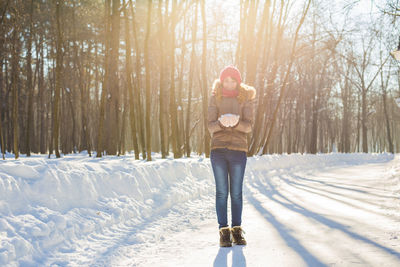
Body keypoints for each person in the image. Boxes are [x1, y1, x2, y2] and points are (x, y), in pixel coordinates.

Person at [207, 65, 256, 247]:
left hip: (238, 151)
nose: (229, 83)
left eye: (232, 80)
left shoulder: (246, 99)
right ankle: (223, 232)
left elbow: (249, 126)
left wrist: (236, 123)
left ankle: (236, 230)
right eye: (226, 80)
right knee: (221, 192)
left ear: (237, 81)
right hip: (218, 150)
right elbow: (210, 126)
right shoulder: (215, 98)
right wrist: (220, 123)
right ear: (222, 81)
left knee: (236, 193)